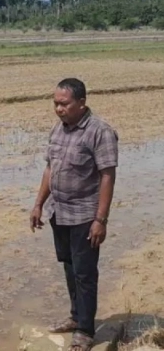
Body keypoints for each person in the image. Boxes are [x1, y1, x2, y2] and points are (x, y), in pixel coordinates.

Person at [29, 78, 118, 351]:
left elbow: (107, 176)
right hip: (60, 212)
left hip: (84, 216)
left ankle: (85, 330)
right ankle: (75, 316)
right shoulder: (58, 130)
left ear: (81, 102)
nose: (58, 109)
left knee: (85, 273)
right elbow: (49, 169)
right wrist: (38, 204)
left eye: (64, 104)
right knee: (69, 267)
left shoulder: (99, 132)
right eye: (55, 103)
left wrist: (100, 220)